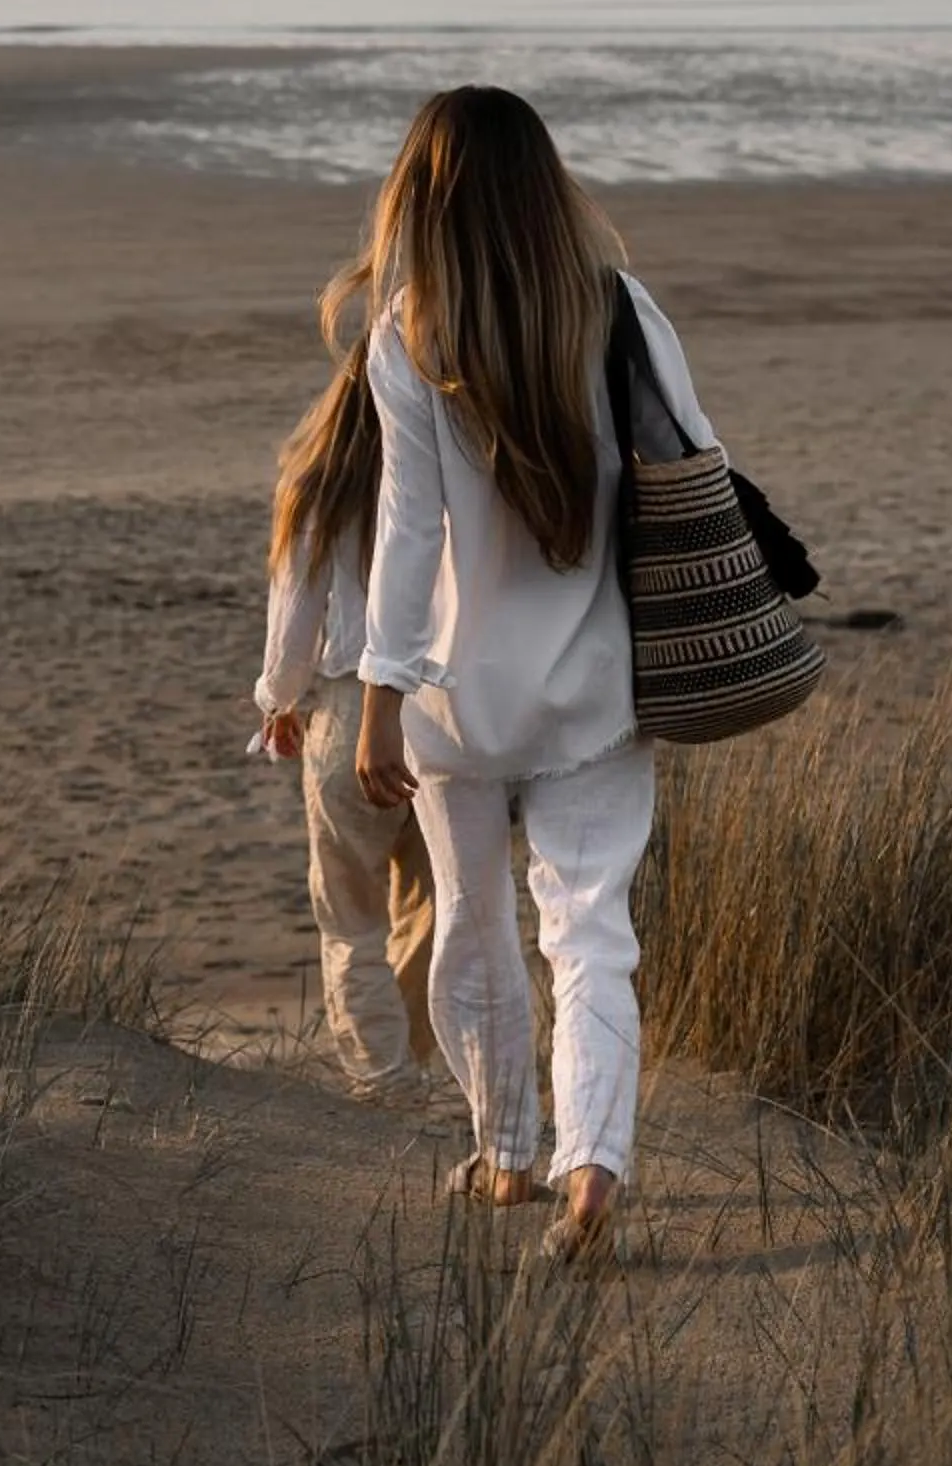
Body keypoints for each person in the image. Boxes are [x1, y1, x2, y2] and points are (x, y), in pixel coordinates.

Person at [345, 85, 717, 1263]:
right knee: (590, 929)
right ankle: (591, 1171)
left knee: (471, 923)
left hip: (455, 696)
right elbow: (696, 459)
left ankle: (505, 1153)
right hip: (599, 684)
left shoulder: (408, 330)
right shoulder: (617, 307)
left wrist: (377, 698)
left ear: (423, 196)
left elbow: (406, 530)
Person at [256, 338, 436, 1099]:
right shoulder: (449, 478)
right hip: (444, 710)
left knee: (350, 913)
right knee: (438, 905)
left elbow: (294, 622)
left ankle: (382, 1075)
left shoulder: (318, 486)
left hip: (346, 709)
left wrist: (278, 701)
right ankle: (419, 1060)